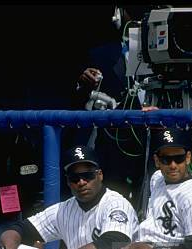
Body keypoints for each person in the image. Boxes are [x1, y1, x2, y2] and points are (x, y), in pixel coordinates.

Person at [0, 127, 192, 249]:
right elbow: (20, 227)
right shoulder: (158, 179)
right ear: (157, 161)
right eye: (166, 159)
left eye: (178, 158)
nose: (172, 165)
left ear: (188, 158)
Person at [0, 145, 139, 249]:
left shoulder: (116, 203)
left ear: (100, 175)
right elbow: (19, 228)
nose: (82, 182)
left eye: (88, 175)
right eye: (75, 178)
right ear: (68, 181)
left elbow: (115, 241)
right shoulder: (63, 209)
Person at [68, 5, 151, 208]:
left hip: (153, 145)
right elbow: (78, 99)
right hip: (115, 148)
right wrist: (84, 83)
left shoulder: (171, 55)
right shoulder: (101, 55)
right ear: (118, 15)